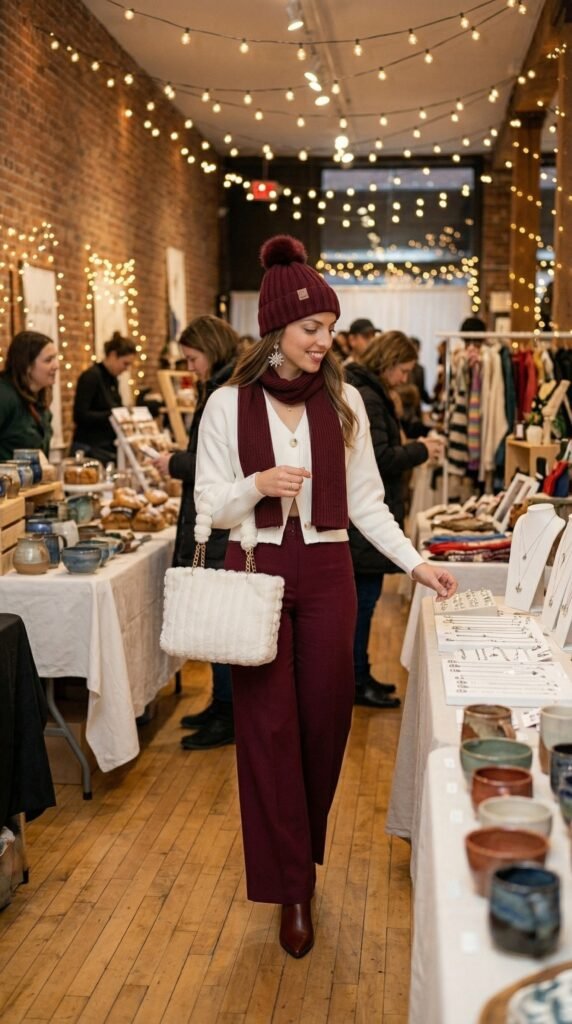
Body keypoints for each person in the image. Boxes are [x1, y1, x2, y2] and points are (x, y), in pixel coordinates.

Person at [194, 235, 457, 959]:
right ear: (276, 328)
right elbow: (209, 506)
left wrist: (416, 563)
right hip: (257, 571)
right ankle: (292, 888)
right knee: (268, 729)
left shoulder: (343, 404)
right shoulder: (226, 405)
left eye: (330, 329)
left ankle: (300, 851)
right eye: (313, 329)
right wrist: (257, 486)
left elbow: (369, 504)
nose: (325, 341)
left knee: (324, 723)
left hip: (330, 574)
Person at [153, 315, 239, 750]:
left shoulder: (226, 392)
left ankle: (228, 712)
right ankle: (220, 703)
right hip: (213, 519)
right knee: (215, 620)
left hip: (218, 522)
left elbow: (215, 466)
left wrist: (173, 463)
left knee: (220, 623)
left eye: (193, 358)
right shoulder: (223, 387)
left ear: (211, 348)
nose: (192, 368)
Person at [345, 332, 444, 708]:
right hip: (364, 523)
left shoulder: (366, 393)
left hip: (366, 519)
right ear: (387, 363)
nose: (404, 379)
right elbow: (381, 458)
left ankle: (360, 672)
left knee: (365, 603)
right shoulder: (367, 397)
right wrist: (420, 450)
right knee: (363, 603)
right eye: (402, 370)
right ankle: (356, 679)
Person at [72, 332, 137, 463]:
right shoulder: (91, 377)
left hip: (106, 448)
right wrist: (113, 415)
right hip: (89, 448)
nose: (126, 369)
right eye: (125, 363)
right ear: (113, 355)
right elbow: (80, 415)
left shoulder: (113, 379)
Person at [0, 331, 58, 460]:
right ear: (27, 366)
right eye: (48, 360)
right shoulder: (4, 395)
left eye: (55, 358)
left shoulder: (39, 398)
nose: (56, 366)